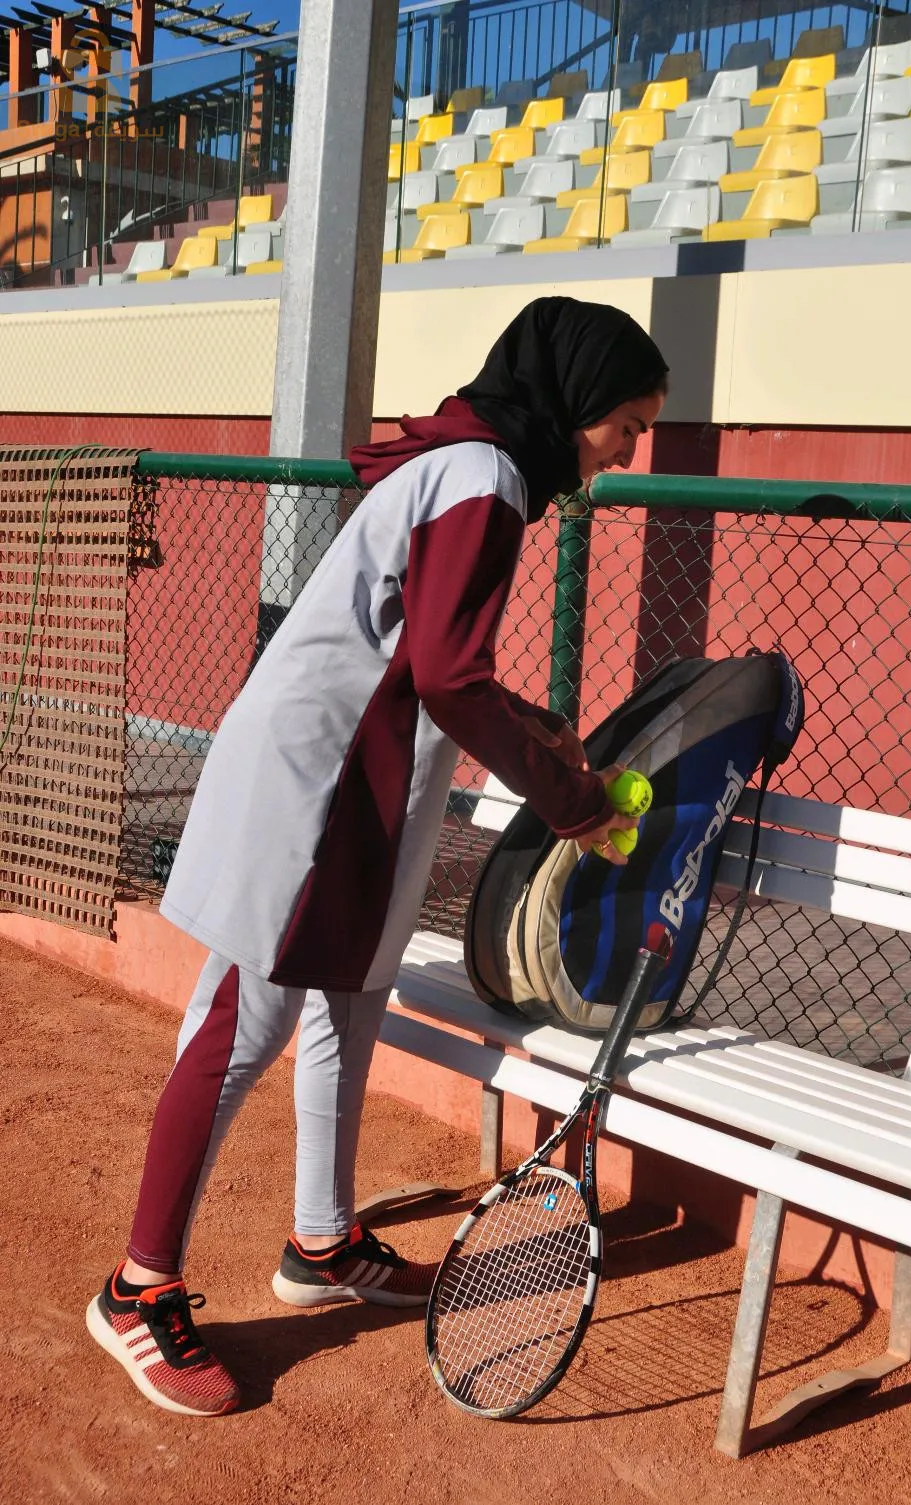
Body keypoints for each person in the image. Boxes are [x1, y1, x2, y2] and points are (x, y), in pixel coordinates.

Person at [85, 296, 669, 1417]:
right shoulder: (484, 477)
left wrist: (531, 723)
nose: (627, 450)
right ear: (579, 400)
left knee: (346, 1008)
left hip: (362, 780)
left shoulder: (480, 466)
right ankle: (136, 1288)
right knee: (240, 1023)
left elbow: (426, 655)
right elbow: (445, 675)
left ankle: (323, 1241)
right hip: (314, 779)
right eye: (627, 424)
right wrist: (572, 802)